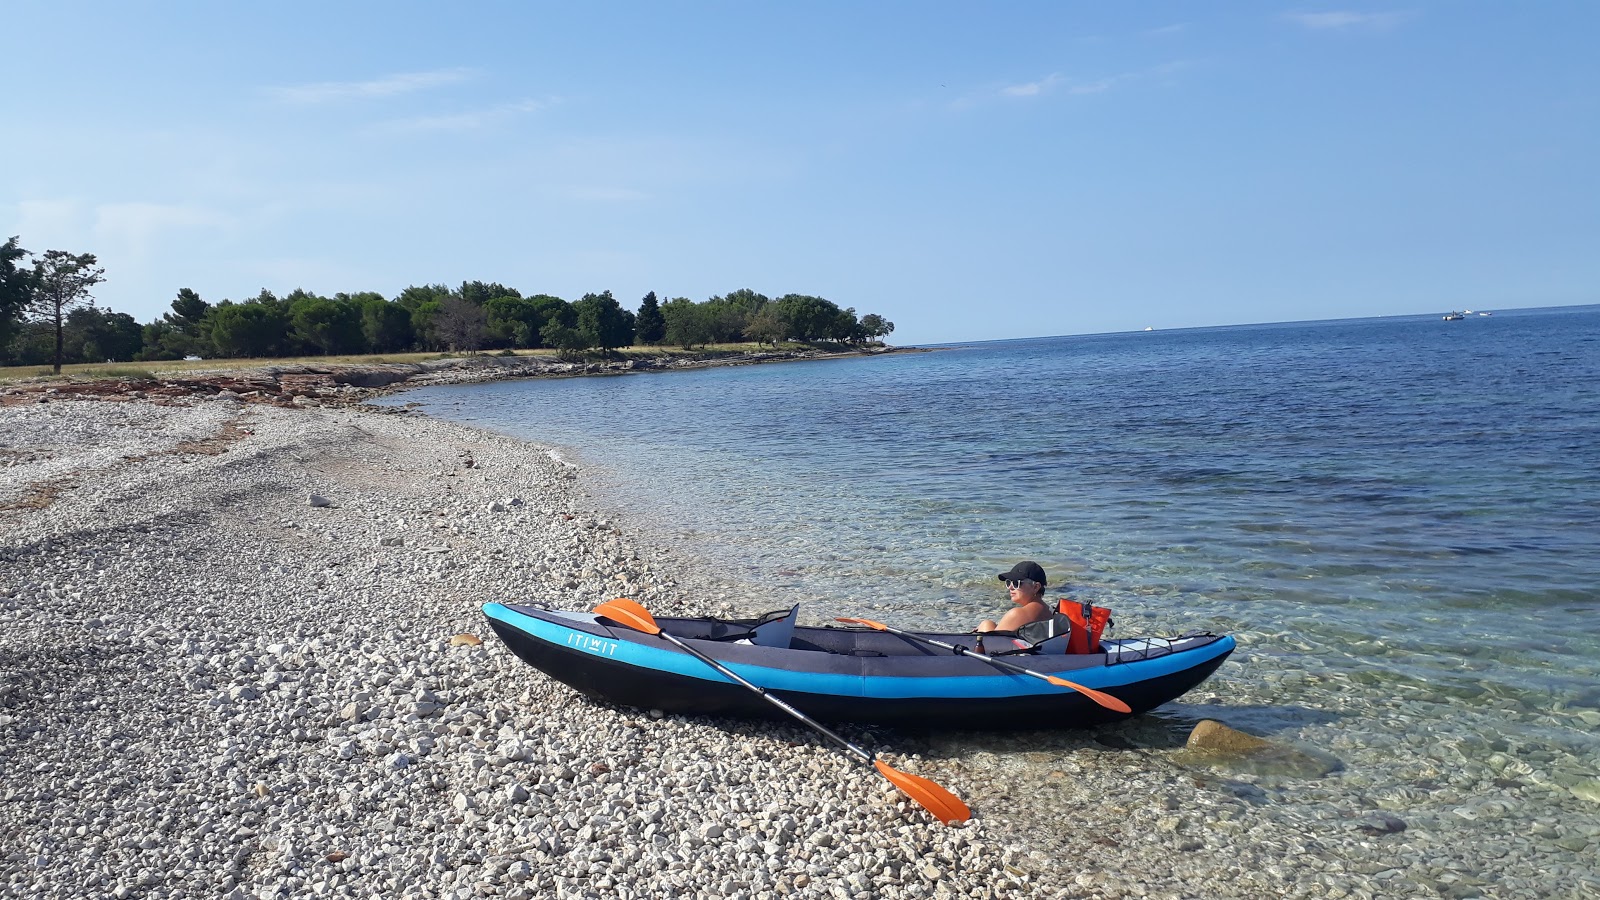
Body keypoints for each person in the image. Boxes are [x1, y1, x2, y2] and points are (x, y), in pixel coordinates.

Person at [977, 561, 1055, 633]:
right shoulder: (1049, 611)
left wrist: (985, 625)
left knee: (987, 624)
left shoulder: (1017, 614)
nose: (1010, 587)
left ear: (1035, 587)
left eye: (1016, 583)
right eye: (1008, 582)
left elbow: (990, 643)